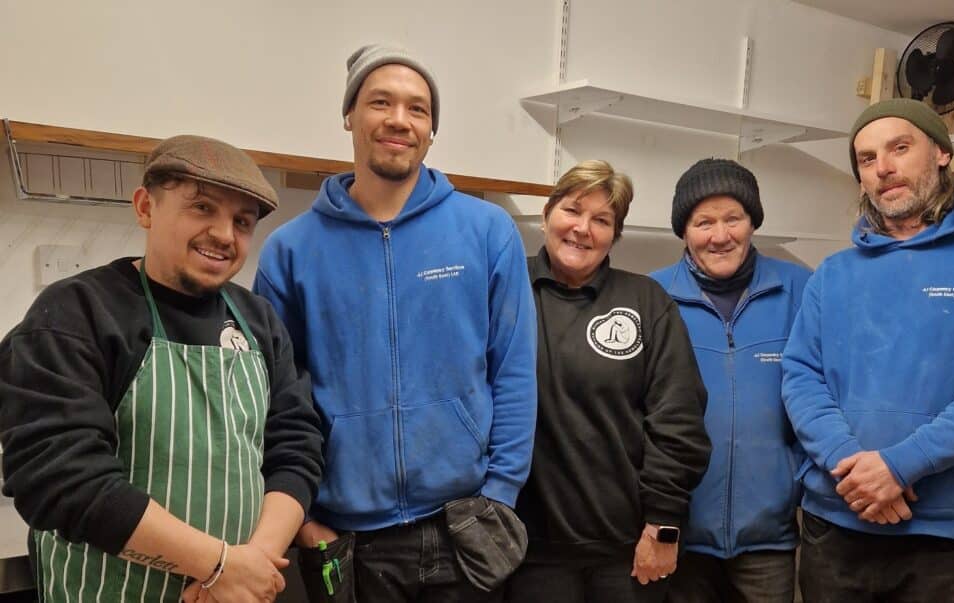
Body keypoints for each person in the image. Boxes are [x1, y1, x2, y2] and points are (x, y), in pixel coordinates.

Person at [254, 43, 537, 602]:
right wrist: (305, 518)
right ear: (349, 116)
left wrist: (501, 493)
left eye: (418, 108)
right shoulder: (290, 250)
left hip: (465, 529)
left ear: (432, 129)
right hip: (349, 539)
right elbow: (275, 397)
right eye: (380, 101)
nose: (399, 120)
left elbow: (514, 372)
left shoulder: (487, 231)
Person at [0, 135, 324, 602]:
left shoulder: (258, 321)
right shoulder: (79, 313)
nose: (223, 234)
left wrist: (251, 565)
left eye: (241, 221)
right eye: (201, 208)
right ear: (145, 208)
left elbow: (297, 446)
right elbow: (60, 477)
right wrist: (216, 566)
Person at [782, 98, 954, 602]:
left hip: (940, 537)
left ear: (940, 153)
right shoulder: (833, 273)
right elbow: (801, 377)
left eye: (899, 148)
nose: (884, 168)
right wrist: (851, 464)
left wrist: (900, 466)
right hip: (835, 524)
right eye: (867, 159)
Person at [503, 160, 711, 603]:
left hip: (629, 551)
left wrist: (664, 524)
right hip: (528, 551)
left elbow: (678, 419)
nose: (582, 229)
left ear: (615, 236)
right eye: (572, 210)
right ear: (546, 215)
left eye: (602, 220)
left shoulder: (645, 301)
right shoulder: (506, 288)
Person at [649, 158, 810, 603]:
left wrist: (794, 482)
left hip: (770, 539)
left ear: (752, 222)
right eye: (704, 222)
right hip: (677, 536)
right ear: (684, 230)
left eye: (733, 219)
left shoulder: (800, 289)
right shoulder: (650, 298)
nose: (720, 236)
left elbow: (826, 396)